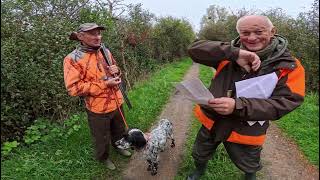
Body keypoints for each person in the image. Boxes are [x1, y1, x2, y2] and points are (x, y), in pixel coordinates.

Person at [186, 15, 305, 180]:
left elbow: (287, 101)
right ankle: (198, 171)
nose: (252, 37)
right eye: (245, 32)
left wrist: (238, 106)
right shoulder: (229, 53)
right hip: (212, 120)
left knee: (249, 163)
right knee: (200, 152)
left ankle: (250, 176)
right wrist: (234, 53)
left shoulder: (289, 65)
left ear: (272, 31)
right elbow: (194, 49)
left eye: (258, 31)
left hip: (247, 128)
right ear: (239, 34)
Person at [63, 23, 131, 170]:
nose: (98, 36)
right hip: (97, 108)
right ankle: (104, 158)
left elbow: (116, 71)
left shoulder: (105, 51)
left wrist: (116, 70)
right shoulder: (72, 59)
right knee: (101, 137)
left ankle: (119, 146)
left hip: (117, 100)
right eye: (93, 34)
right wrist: (105, 84)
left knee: (119, 130)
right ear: (80, 37)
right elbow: (73, 89)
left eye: (99, 33)